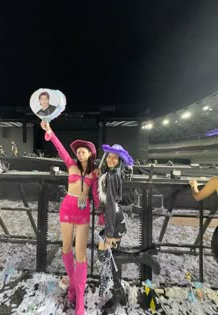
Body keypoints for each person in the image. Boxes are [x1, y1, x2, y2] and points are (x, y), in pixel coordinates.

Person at [40, 121, 99, 315]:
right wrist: (50, 131)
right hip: (67, 208)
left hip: (83, 212)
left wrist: (103, 215)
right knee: (66, 247)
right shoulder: (70, 165)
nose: (80, 153)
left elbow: (98, 196)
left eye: (84, 151)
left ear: (90, 154)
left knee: (80, 254)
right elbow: (60, 148)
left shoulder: (95, 173)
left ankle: (79, 297)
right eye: (79, 151)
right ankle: (72, 285)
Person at [97, 144, 160, 314]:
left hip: (115, 220)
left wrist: (109, 232)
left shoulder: (113, 176)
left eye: (114, 158)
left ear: (119, 161)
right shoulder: (112, 174)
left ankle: (142, 258)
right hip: (115, 219)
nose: (110, 160)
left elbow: (111, 204)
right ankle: (119, 293)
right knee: (110, 257)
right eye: (109, 156)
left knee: (106, 255)